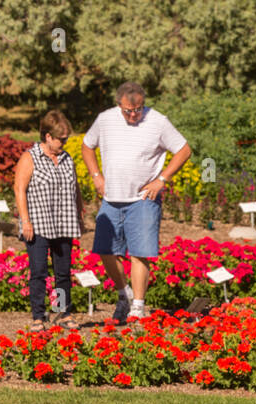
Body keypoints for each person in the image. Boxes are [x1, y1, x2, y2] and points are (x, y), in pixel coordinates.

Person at [81, 82, 192, 321]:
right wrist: (96, 176)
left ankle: (138, 308)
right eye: (128, 111)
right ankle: (125, 294)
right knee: (106, 251)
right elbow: (87, 146)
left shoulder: (158, 121)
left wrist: (162, 180)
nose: (133, 115)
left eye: (138, 109)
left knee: (139, 253)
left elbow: (184, 150)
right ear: (118, 105)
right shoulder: (105, 119)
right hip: (111, 198)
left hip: (143, 198)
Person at [14, 109, 83, 326]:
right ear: (48, 137)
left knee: (63, 273)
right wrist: (25, 221)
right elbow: (19, 189)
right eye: (61, 139)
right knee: (39, 273)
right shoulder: (30, 158)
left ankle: (62, 312)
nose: (64, 143)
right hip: (38, 224)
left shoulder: (65, 158)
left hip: (63, 223)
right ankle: (38, 316)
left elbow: (76, 188)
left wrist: (80, 213)